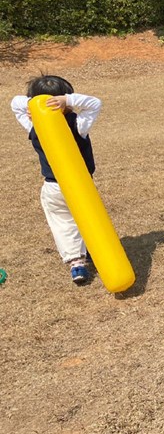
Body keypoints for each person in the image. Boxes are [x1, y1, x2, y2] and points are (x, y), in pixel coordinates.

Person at [10, 75, 102, 285]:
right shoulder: (78, 123)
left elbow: (15, 103)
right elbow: (94, 103)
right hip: (81, 186)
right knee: (88, 218)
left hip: (53, 188)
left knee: (63, 223)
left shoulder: (32, 125)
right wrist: (66, 101)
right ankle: (94, 250)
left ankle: (76, 263)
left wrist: (36, 106)